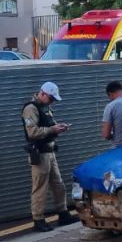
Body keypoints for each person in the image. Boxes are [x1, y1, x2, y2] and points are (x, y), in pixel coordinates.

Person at [22, 82, 77, 232]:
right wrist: (52, 129)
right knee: (40, 188)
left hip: (50, 152)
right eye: (51, 98)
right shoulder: (31, 108)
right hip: (40, 154)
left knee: (58, 185)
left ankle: (63, 212)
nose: (52, 102)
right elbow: (32, 132)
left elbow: (47, 126)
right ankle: (38, 219)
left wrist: (57, 128)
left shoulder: (44, 107)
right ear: (43, 94)